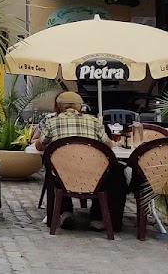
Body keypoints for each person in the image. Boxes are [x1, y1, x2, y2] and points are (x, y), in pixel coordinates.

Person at [33, 91, 126, 231]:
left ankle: (65, 212)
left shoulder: (51, 122)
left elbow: (39, 145)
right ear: (81, 107)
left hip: (63, 176)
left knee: (55, 170)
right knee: (114, 172)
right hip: (94, 176)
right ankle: (97, 217)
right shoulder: (94, 121)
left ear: (58, 107)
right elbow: (109, 145)